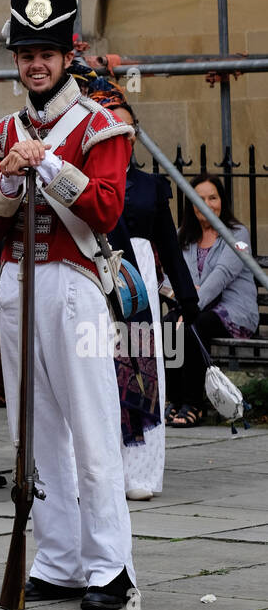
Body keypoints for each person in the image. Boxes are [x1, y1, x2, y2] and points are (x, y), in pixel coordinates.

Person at [0, 0, 138, 610]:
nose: (35, 65)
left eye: (47, 53)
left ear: (69, 56)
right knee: (32, 433)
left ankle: (109, 565)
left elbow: (105, 211)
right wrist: (11, 176)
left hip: (74, 286)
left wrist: (52, 165)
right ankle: (59, 557)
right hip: (17, 286)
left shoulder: (100, 127)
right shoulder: (0, 135)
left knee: (91, 427)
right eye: (26, 54)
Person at [82, 85, 199, 497]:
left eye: (127, 131)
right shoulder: (85, 183)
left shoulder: (151, 186)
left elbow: (168, 242)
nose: (121, 138)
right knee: (98, 368)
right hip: (95, 277)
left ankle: (140, 474)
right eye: (111, 129)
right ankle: (102, 470)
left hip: (141, 280)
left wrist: (187, 298)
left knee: (142, 368)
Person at [169, 174, 259, 428]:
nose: (207, 204)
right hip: (195, 307)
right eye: (200, 198)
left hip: (233, 313)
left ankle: (194, 405)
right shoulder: (182, 236)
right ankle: (175, 401)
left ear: (222, 201)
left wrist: (190, 302)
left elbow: (221, 276)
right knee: (168, 326)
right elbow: (169, 277)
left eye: (213, 198)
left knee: (193, 327)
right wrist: (183, 299)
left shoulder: (237, 234)